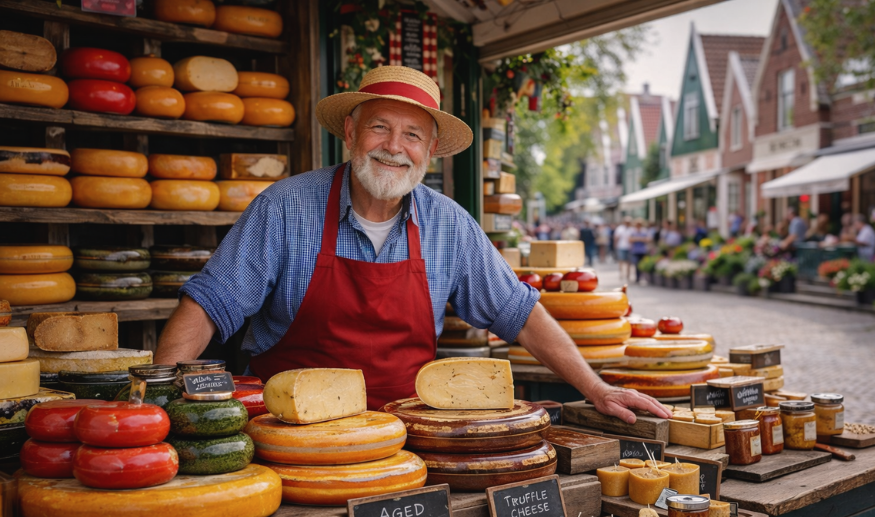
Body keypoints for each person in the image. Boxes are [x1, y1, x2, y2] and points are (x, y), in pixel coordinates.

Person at [151, 66, 668, 424]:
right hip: (292, 437)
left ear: (431, 151)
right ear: (351, 132)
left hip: (405, 438)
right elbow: (210, 306)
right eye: (380, 127)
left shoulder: (449, 225)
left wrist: (596, 388)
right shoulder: (285, 208)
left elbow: (520, 314)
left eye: (413, 135)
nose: (395, 148)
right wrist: (159, 400)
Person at [628, 219, 651, 283]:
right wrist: (639, 239)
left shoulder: (644, 231)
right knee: (636, 265)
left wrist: (638, 239)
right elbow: (629, 239)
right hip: (635, 250)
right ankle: (637, 277)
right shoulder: (633, 231)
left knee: (643, 264)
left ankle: (643, 277)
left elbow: (648, 239)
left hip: (643, 250)